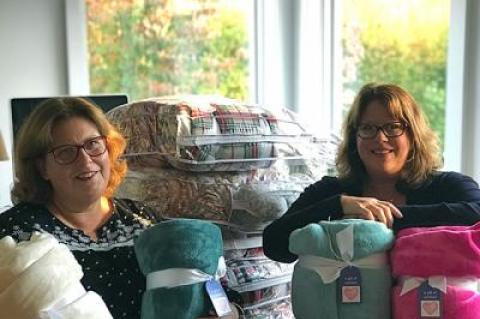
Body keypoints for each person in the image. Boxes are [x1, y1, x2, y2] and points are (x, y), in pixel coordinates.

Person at [0, 97, 238, 319]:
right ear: (42, 168)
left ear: (109, 148)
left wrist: (226, 312)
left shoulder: (143, 220)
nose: (85, 160)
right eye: (66, 152)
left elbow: (219, 292)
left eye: (93, 144)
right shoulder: (16, 232)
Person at [263, 83, 480, 263]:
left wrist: (382, 220)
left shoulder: (449, 186)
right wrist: (338, 206)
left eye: (393, 127)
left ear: (413, 136)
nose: (380, 138)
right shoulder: (331, 192)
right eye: (367, 128)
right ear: (354, 138)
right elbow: (274, 244)